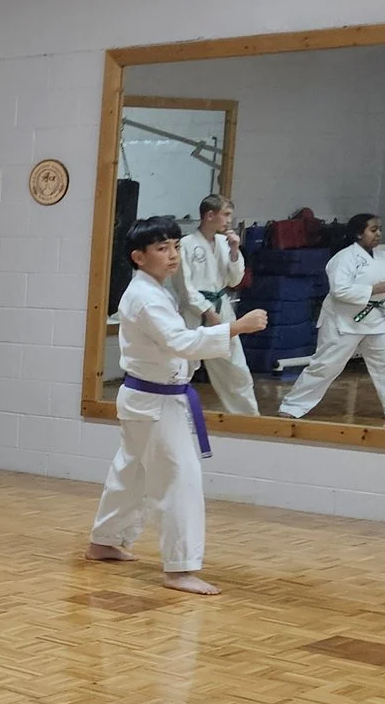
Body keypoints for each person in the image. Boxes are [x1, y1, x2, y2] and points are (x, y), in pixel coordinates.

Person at [87, 217, 269, 594]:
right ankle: (179, 568)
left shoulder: (155, 290)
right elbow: (181, 343)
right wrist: (236, 327)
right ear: (139, 257)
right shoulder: (145, 297)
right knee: (181, 479)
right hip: (154, 402)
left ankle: (104, 541)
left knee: (132, 473)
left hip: (150, 399)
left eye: (175, 246)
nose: (172, 255)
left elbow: (179, 344)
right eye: (161, 248)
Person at [277, 214, 385, 423]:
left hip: (379, 318)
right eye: (372, 230)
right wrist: (371, 290)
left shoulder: (382, 257)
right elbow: (339, 291)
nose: (378, 233)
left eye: (379, 229)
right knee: (326, 365)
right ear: (359, 233)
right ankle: (292, 406)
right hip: (344, 320)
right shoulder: (343, 258)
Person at [176, 196, 258, 417]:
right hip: (194, 314)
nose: (229, 220)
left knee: (236, 368)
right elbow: (185, 286)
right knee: (182, 367)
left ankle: (248, 418)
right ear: (209, 215)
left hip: (223, 308)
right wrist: (207, 311)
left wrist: (234, 251)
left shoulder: (225, 243)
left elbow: (234, 281)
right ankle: (174, 415)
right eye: (226, 214)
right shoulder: (186, 244)